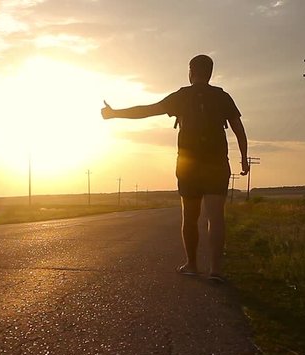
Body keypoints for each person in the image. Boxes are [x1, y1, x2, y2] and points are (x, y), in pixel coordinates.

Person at [101, 54, 249, 282]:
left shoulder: (181, 96)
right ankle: (216, 270)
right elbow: (239, 129)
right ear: (210, 73)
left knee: (190, 217)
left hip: (188, 164)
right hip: (217, 163)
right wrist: (244, 158)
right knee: (216, 217)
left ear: (191, 72)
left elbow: (147, 110)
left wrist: (115, 113)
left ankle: (191, 264)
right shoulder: (222, 97)